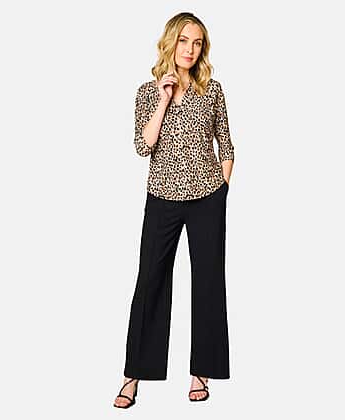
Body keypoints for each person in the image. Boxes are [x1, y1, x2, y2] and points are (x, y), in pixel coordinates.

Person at [113, 11, 235, 409]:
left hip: (207, 197)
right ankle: (133, 375)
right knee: (150, 281)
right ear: (171, 42)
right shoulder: (148, 92)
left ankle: (203, 371)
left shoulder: (212, 90)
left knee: (209, 282)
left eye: (197, 43)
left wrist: (222, 192)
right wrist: (164, 98)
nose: (190, 49)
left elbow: (226, 144)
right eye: (184, 40)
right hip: (162, 197)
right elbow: (143, 145)